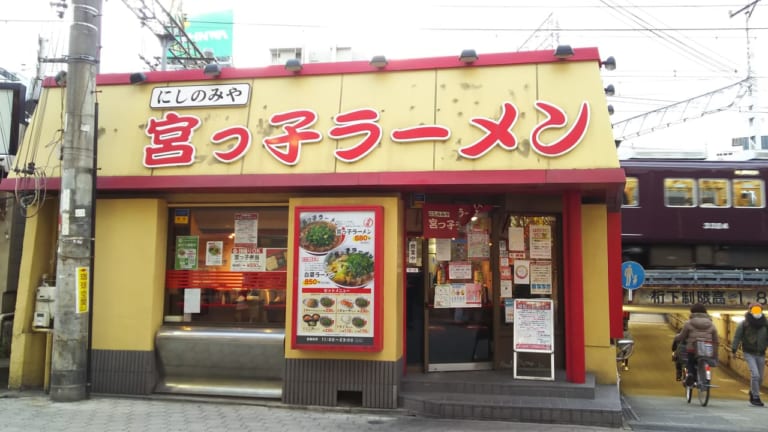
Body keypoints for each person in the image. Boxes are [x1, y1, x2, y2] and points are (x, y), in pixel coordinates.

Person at [731, 302, 768, 407]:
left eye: (758, 310)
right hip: (749, 352)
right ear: (750, 311)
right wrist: (734, 350)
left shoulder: (765, 323)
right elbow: (737, 337)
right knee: (755, 375)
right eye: (754, 310)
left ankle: (753, 391)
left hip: (761, 353)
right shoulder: (744, 324)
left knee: (760, 377)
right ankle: (756, 397)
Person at [674, 303, 719, 387]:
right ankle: (705, 378)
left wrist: (676, 337)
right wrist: (715, 353)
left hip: (693, 348)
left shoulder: (688, 323)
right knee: (704, 360)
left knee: (690, 362)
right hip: (706, 349)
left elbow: (682, 336)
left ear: (692, 312)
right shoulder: (712, 325)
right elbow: (716, 339)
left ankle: (691, 374)